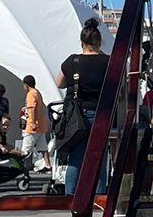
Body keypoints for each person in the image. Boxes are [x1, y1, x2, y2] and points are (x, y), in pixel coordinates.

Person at [55, 19, 108, 197]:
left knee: (76, 159)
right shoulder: (107, 62)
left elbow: (59, 83)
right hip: (100, 114)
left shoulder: (72, 61)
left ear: (82, 43)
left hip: (76, 116)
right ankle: (99, 198)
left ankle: (70, 198)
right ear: (100, 42)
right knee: (98, 158)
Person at [20, 75, 48, 169]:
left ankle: (23, 168)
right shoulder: (37, 93)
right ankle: (47, 165)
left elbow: (31, 109)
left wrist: (32, 123)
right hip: (41, 125)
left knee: (25, 149)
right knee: (43, 147)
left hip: (33, 127)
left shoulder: (30, 94)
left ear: (26, 85)